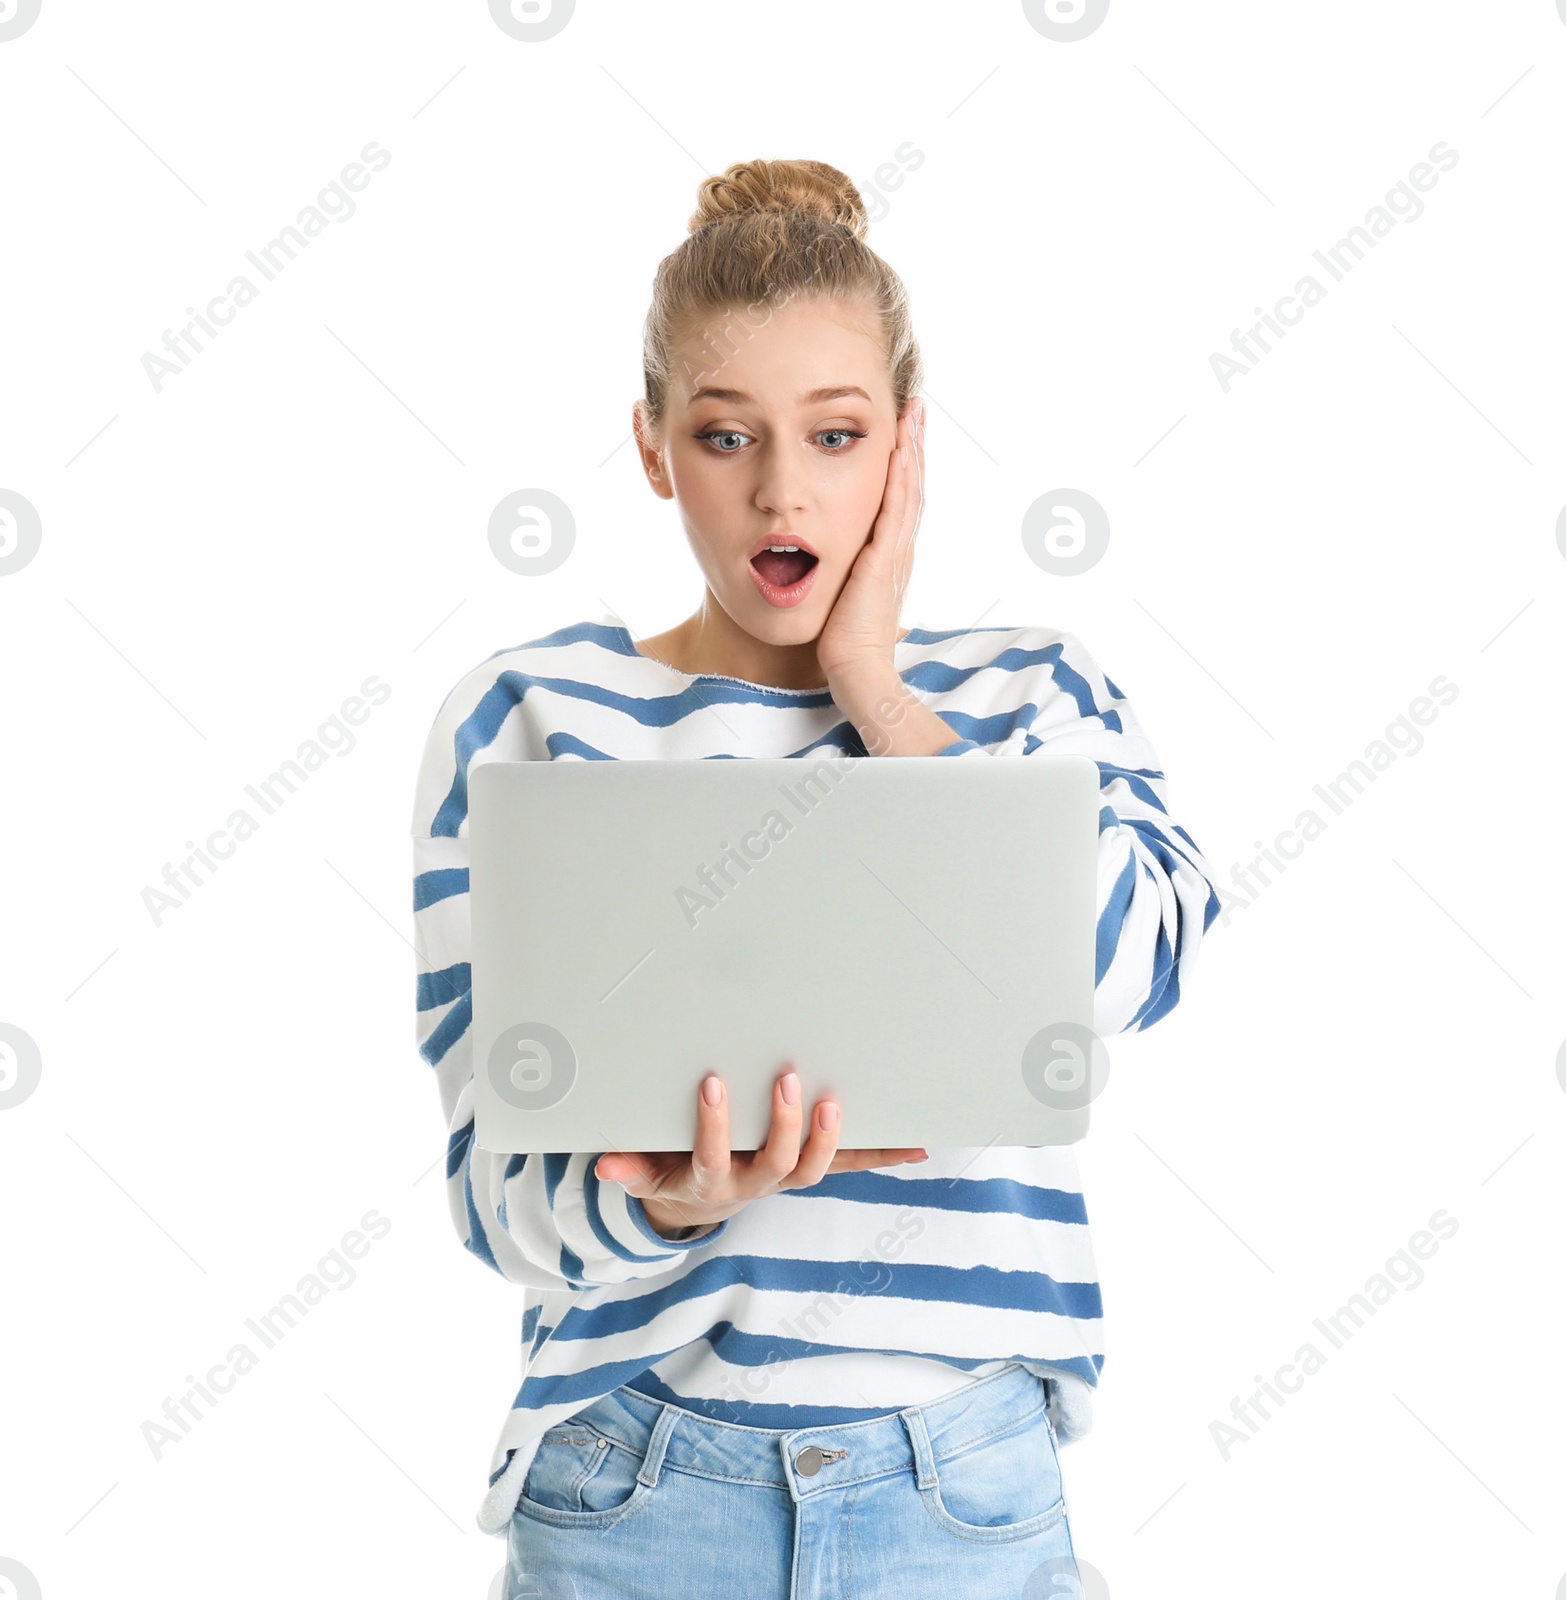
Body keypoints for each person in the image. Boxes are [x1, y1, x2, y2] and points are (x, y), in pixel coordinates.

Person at [411, 157, 1221, 1598]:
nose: (783, 491)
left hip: (960, 1492)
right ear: (653, 446)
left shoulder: (1031, 700)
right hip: (637, 1490)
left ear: (906, 450)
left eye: (836, 437)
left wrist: (878, 689)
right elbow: (492, 1197)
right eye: (727, 436)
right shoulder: (531, 716)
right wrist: (661, 1205)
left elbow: (1120, 975)